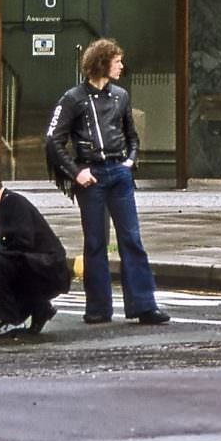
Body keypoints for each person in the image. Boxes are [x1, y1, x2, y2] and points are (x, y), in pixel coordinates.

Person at [45, 37, 170, 326]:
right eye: (117, 62)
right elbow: (53, 139)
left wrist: (129, 161)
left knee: (132, 239)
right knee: (95, 242)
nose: (121, 67)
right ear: (102, 63)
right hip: (92, 176)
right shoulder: (73, 98)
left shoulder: (121, 96)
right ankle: (98, 307)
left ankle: (144, 305)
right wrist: (76, 171)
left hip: (119, 173)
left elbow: (131, 135)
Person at [0, 169, 71, 338]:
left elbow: (23, 243)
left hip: (47, 268)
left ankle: (12, 318)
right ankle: (39, 307)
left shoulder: (13, 203)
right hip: (38, 265)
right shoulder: (7, 204)